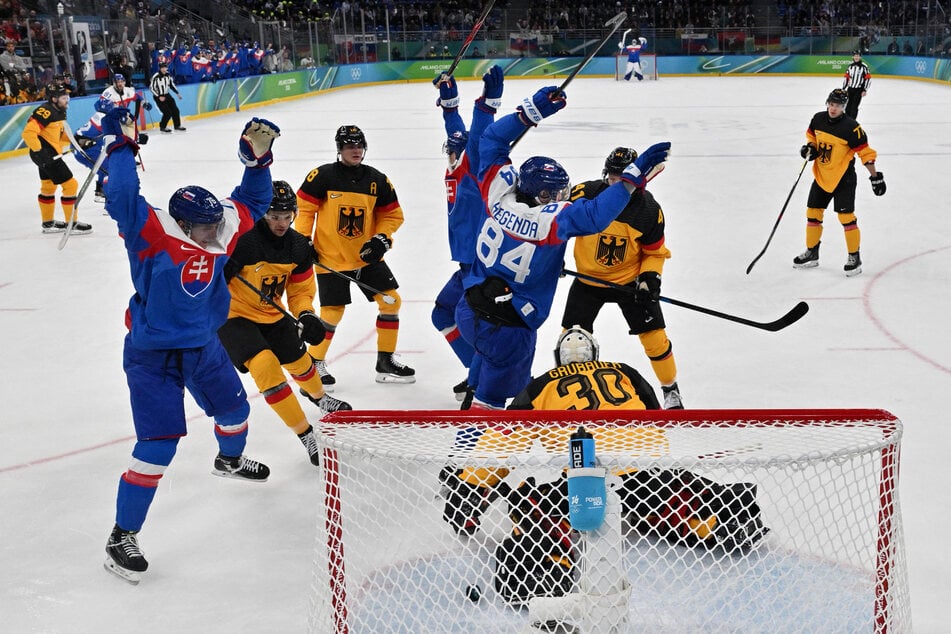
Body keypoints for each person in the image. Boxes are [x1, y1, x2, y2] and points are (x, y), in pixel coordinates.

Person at [440, 327, 767, 605]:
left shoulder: (540, 385)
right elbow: (655, 420)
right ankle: (724, 512)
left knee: (529, 502)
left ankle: (541, 566)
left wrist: (471, 484)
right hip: (646, 476)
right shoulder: (625, 371)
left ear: (558, 358)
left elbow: (504, 442)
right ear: (595, 355)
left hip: (585, 484)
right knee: (674, 490)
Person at [100, 110, 281, 584]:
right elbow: (121, 195)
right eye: (204, 228)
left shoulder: (218, 224)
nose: (215, 234)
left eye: (216, 225)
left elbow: (251, 202)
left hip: (204, 346)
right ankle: (122, 535)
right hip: (153, 357)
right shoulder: (151, 234)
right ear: (182, 222)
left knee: (237, 411)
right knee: (156, 449)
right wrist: (119, 146)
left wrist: (255, 162)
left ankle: (229, 459)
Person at [455, 84, 671, 409]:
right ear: (543, 197)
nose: (561, 197)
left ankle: (473, 390)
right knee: (492, 407)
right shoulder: (549, 222)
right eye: (556, 194)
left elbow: (492, 141)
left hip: (469, 306)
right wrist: (630, 181)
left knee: (484, 369)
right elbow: (595, 216)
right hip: (510, 326)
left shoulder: (497, 190)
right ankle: (469, 458)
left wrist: (529, 113)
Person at [219, 180, 353, 467]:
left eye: (286, 216)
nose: (281, 223)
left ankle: (319, 397)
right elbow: (208, 273)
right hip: (235, 317)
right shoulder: (242, 242)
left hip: (272, 313)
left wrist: (305, 314)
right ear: (262, 215)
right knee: (265, 365)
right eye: (273, 216)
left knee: (301, 363)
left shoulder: (297, 246)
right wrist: (222, 271)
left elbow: (300, 291)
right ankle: (305, 433)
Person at [559, 147, 683, 410]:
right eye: (612, 177)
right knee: (570, 341)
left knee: (655, 338)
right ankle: (569, 393)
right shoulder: (585, 193)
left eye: (622, 178)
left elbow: (654, 252)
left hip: (628, 283)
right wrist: (550, 257)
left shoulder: (649, 211)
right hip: (587, 281)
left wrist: (649, 279)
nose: (615, 183)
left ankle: (670, 389)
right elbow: (556, 224)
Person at [295, 125, 416, 387]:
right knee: (332, 312)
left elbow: (392, 214)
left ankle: (385, 362)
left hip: (365, 257)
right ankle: (314, 363)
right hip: (329, 257)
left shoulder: (377, 180)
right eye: (350, 146)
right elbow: (304, 209)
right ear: (339, 149)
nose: (356, 150)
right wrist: (303, 240)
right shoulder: (322, 176)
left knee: (391, 302)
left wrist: (382, 239)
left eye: (359, 145)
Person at [431, 65, 504, 401]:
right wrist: (448, 98)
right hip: (466, 261)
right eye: (449, 149)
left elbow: (476, 133)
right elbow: (455, 128)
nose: (450, 154)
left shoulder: (473, 164)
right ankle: (476, 370)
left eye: (455, 150)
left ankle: (485, 377)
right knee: (442, 313)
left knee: (474, 322)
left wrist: (489, 101)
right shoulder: (454, 160)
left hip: (479, 263)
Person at [794, 88, 885, 277]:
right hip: (822, 175)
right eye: (831, 104)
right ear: (827, 103)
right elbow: (812, 137)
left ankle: (854, 257)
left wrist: (874, 176)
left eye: (838, 106)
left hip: (844, 179)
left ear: (844, 107)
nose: (833, 109)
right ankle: (812, 252)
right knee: (812, 213)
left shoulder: (851, 127)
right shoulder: (818, 119)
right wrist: (810, 149)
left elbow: (865, 153)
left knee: (846, 218)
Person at [21, 82, 92, 235]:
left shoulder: (59, 111)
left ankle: (48, 223)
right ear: (54, 99)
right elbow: (28, 133)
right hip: (46, 155)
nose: (67, 100)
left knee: (48, 187)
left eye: (67, 97)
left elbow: (59, 134)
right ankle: (71, 223)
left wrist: (77, 141)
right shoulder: (45, 111)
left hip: (45, 155)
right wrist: (40, 151)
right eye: (63, 98)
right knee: (71, 185)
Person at [149, 61, 185, 132]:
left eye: (165, 67)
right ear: (160, 68)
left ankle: (177, 125)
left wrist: (177, 93)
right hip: (158, 96)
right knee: (167, 113)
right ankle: (163, 126)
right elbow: (151, 88)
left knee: (175, 110)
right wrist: (159, 96)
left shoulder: (168, 75)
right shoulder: (156, 76)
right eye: (162, 67)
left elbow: (172, 85)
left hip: (167, 95)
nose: (164, 69)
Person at [842, 50, 871, 119]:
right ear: (853, 57)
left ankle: (852, 123)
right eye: (855, 56)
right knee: (848, 107)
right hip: (850, 89)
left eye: (858, 56)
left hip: (859, 90)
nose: (856, 57)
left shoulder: (864, 67)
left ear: (860, 57)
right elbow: (847, 78)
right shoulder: (850, 66)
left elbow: (868, 79)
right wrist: (843, 88)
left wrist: (865, 90)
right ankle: (846, 121)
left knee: (854, 107)